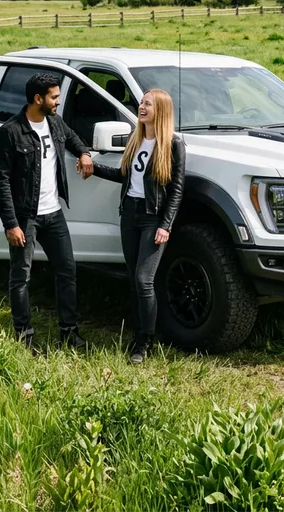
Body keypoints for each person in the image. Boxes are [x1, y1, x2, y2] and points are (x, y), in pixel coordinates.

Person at [0, 71, 94, 350]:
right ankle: (24, 335)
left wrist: (84, 154)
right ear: (38, 99)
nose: (58, 101)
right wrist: (11, 223)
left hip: (54, 213)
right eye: (54, 97)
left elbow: (75, 140)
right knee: (21, 276)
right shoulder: (10, 132)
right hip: (25, 217)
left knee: (67, 271)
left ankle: (69, 333)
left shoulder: (56, 123)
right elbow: (0, 181)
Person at [85, 89, 186, 364]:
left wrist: (166, 224)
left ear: (160, 111)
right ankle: (137, 333)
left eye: (147, 104)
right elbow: (123, 175)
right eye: (141, 103)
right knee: (133, 279)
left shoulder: (173, 144)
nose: (141, 107)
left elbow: (177, 190)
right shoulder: (136, 139)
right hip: (129, 214)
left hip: (153, 218)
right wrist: (93, 167)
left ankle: (144, 342)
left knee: (144, 280)